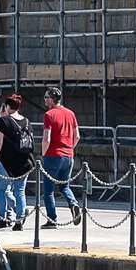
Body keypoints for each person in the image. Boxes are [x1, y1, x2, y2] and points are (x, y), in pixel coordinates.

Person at [38, 86, 83, 228]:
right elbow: (77, 136)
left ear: (51, 99)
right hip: (68, 155)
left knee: (48, 190)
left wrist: (44, 153)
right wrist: (70, 148)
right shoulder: (70, 113)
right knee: (64, 186)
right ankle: (73, 204)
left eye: (46, 97)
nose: (44, 100)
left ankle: (52, 219)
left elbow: (47, 138)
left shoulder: (49, 115)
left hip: (53, 155)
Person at [0, 93, 37, 230]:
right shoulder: (27, 121)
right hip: (25, 161)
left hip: (7, 161)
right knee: (20, 191)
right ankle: (19, 221)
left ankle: (3, 218)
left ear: (7, 106)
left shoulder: (3, 121)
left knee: (0, 189)